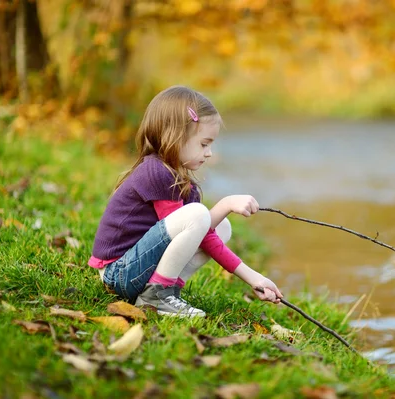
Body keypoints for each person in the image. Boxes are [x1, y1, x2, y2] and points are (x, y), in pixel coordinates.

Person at [88, 85, 283, 317]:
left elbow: (205, 234)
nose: (209, 153)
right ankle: (157, 295)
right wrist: (226, 204)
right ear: (176, 137)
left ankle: (162, 292)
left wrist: (256, 279)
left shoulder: (181, 184)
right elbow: (196, 224)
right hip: (118, 273)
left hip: (135, 271)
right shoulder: (156, 172)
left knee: (221, 226)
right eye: (204, 144)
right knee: (199, 214)